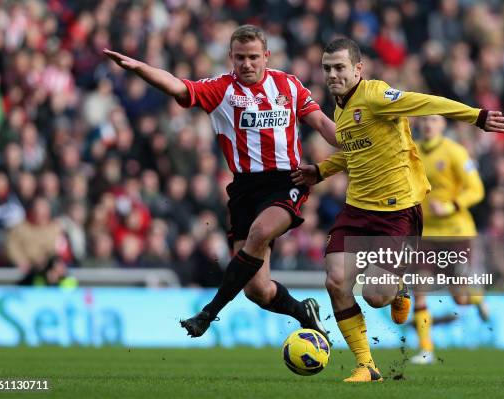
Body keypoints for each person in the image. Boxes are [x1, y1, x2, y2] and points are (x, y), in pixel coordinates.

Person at [292, 38, 504, 382]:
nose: (332, 74)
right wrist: (320, 171)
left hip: (396, 213)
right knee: (335, 281)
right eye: (327, 68)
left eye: (339, 68)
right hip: (357, 208)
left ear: (357, 69)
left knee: (376, 297)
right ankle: (366, 364)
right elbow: (355, 151)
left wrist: (476, 116)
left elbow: (426, 102)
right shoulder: (339, 108)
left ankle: (401, 284)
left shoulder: (377, 95)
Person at [104, 25, 338, 341]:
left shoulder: (289, 85)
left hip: (287, 180)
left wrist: (353, 143)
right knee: (258, 290)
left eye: (254, 57)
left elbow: (322, 122)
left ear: (266, 56)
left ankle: (209, 312)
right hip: (244, 189)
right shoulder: (221, 89)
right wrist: (139, 68)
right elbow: (177, 86)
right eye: (240, 57)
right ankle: (302, 312)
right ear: (230, 57)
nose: (247, 64)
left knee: (259, 232)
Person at [410, 115, 489, 365]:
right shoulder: (411, 152)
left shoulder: (455, 152)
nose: (427, 124)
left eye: (433, 120)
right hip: (426, 234)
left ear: (443, 125)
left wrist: (451, 205)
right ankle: (425, 349)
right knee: (419, 289)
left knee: (460, 296)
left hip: (456, 231)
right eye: (423, 120)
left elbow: (476, 189)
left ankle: (476, 298)